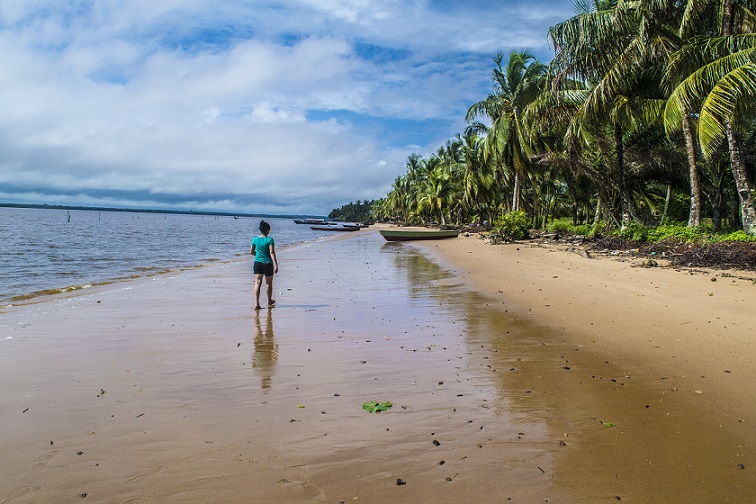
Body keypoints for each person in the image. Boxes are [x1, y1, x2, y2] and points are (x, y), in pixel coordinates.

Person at [250, 220, 278, 310]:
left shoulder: (255, 239)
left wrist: (258, 255)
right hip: (268, 263)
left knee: (257, 283)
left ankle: (256, 304)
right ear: (267, 230)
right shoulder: (269, 240)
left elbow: (251, 252)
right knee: (268, 283)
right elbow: (272, 252)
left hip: (257, 263)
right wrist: (276, 263)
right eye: (269, 230)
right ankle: (269, 300)